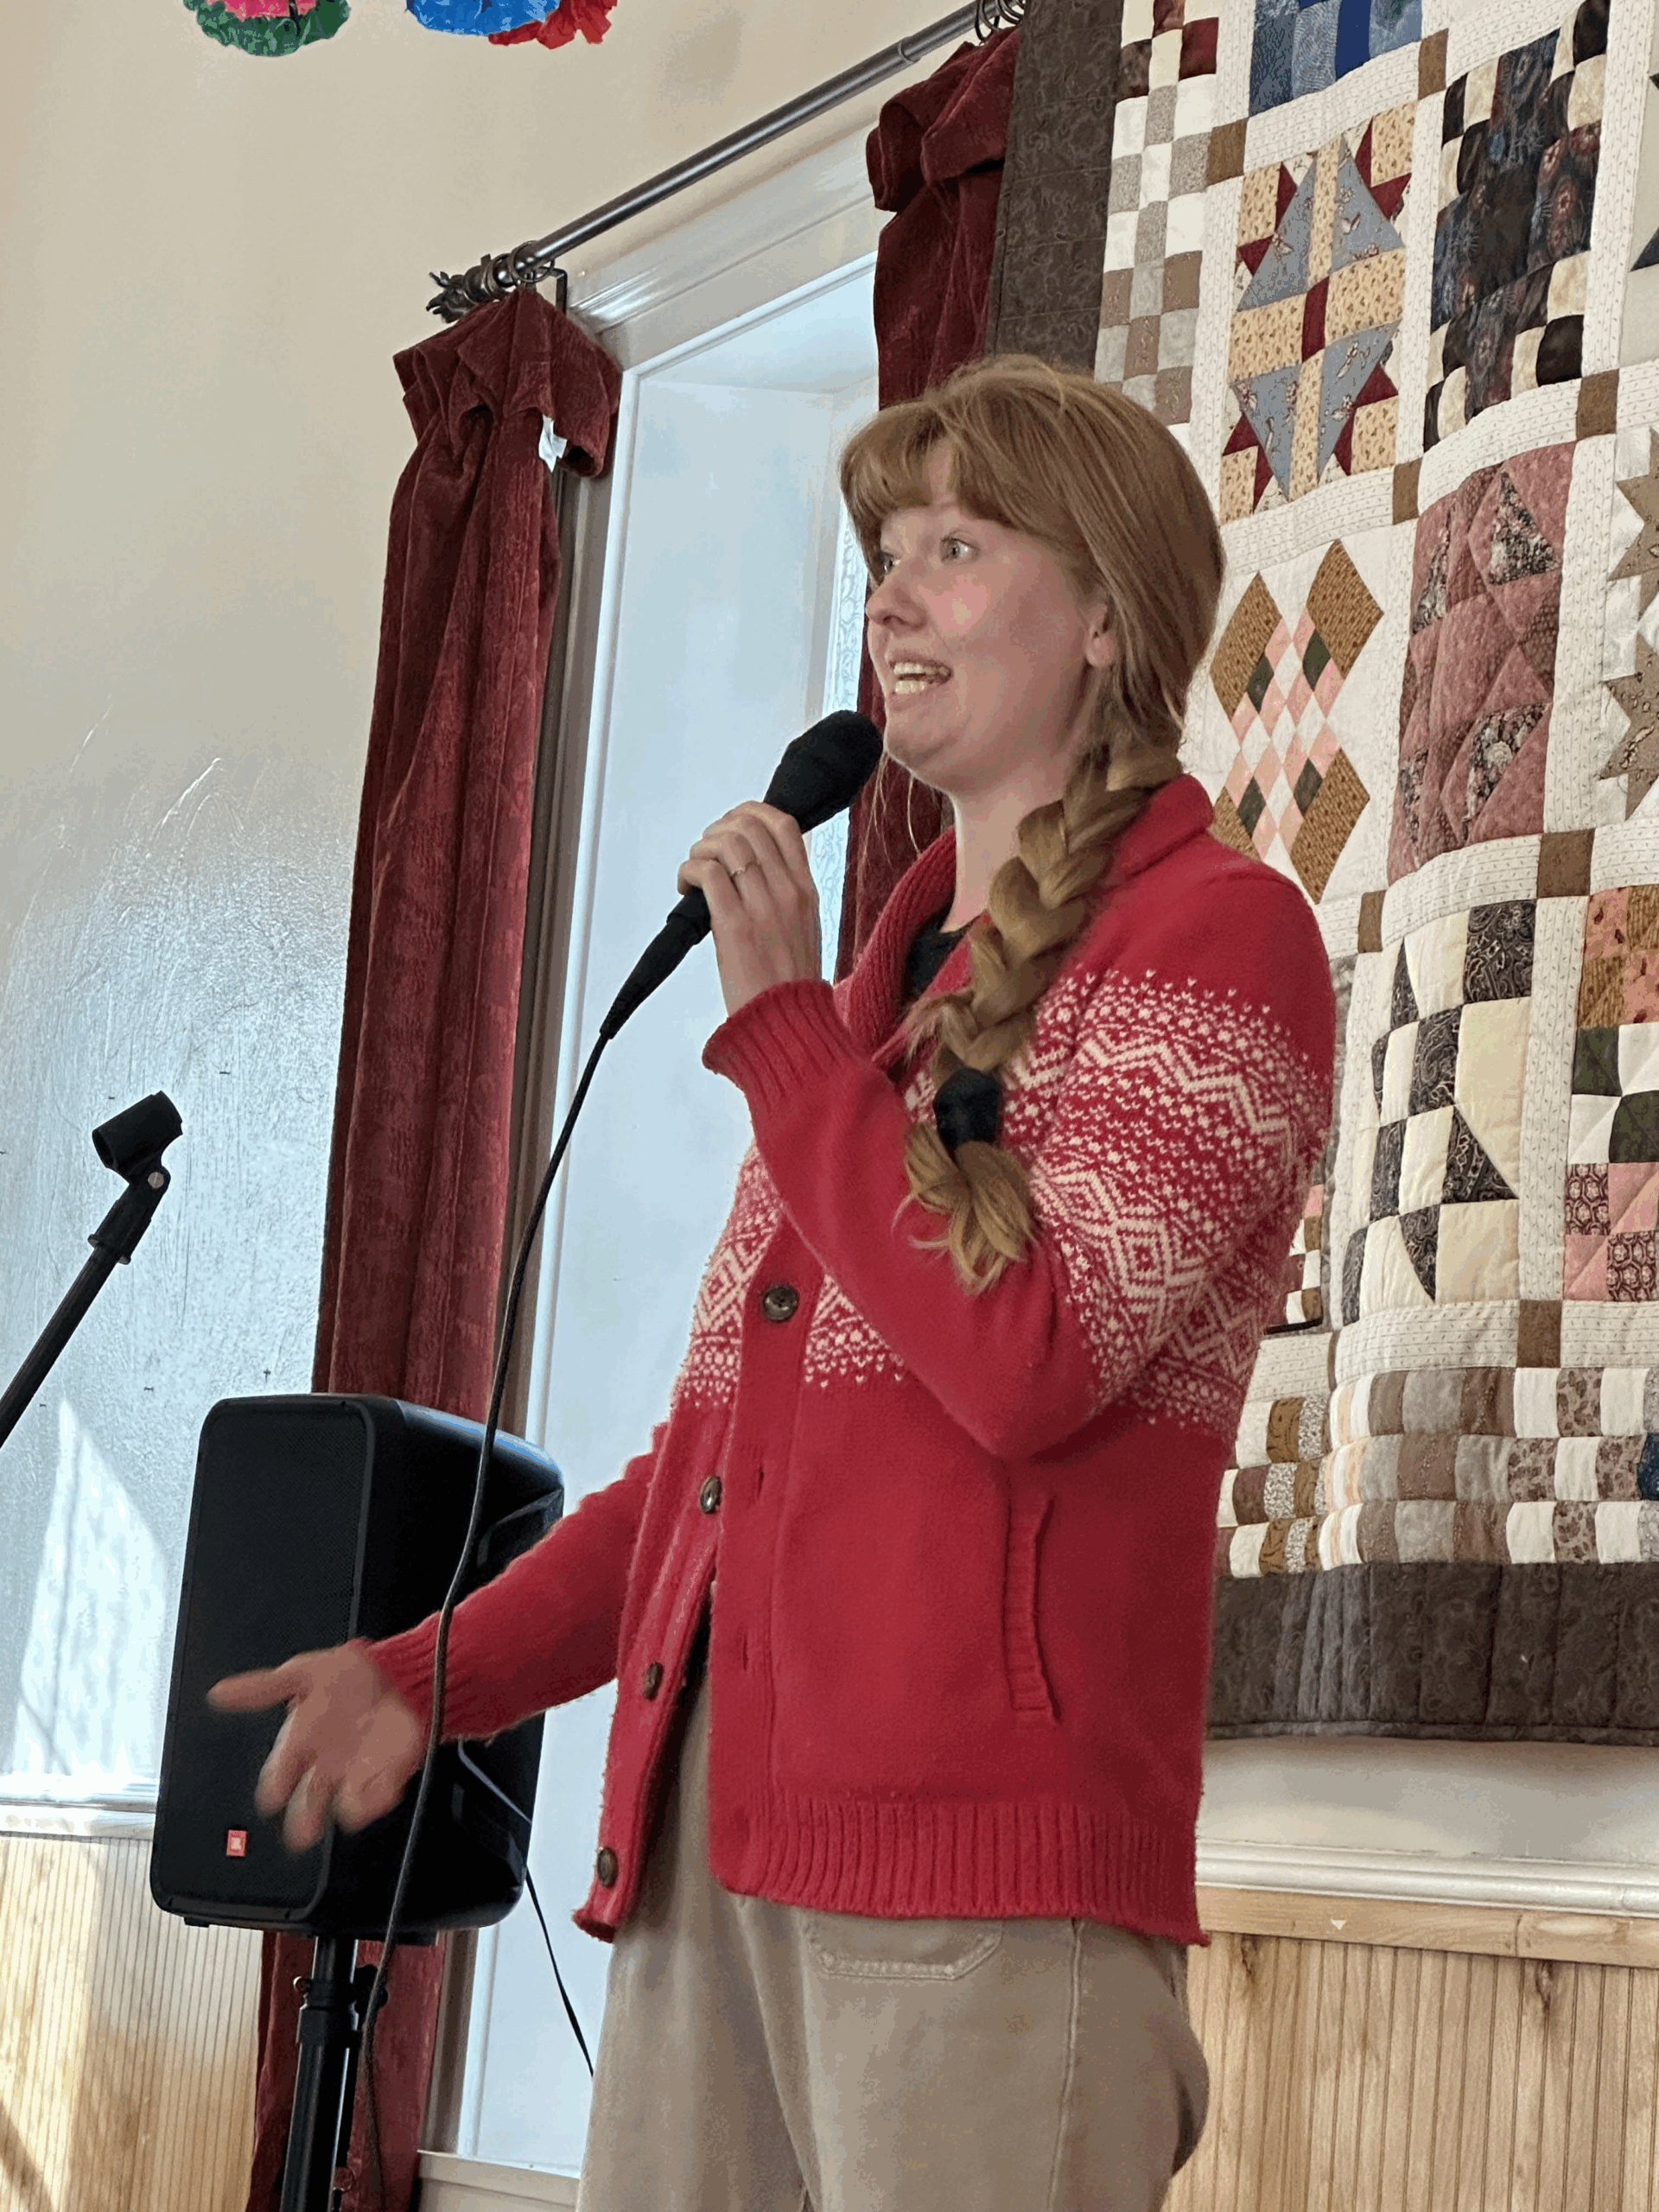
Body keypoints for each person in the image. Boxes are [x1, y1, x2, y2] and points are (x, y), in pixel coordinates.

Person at [212, 352, 1337, 2211]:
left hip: (988, 1907)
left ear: (1107, 619)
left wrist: (792, 1045)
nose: (892, 597)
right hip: (704, 1875)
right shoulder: (875, 1012)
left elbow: (1029, 1357)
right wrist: (434, 1673)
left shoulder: (1219, 938)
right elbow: (708, 1478)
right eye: (886, 554)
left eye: (958, 547)